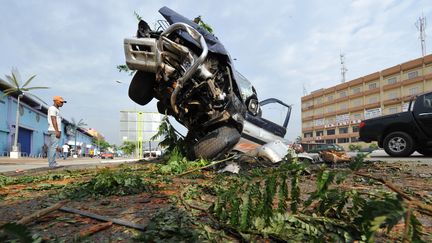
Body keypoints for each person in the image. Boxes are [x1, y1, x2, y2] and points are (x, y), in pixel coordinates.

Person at [47, 96, 66, 168]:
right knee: (53, 147)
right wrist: (57, 131)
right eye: (61, 102)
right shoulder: (52, 109)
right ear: (55, 101)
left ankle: (53, 162)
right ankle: (51, 164)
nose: (62, 103)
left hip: (56, 130)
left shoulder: (57, 109)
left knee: (54, 147)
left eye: (63, 102)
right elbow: (53, 119)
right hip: (54, 130)